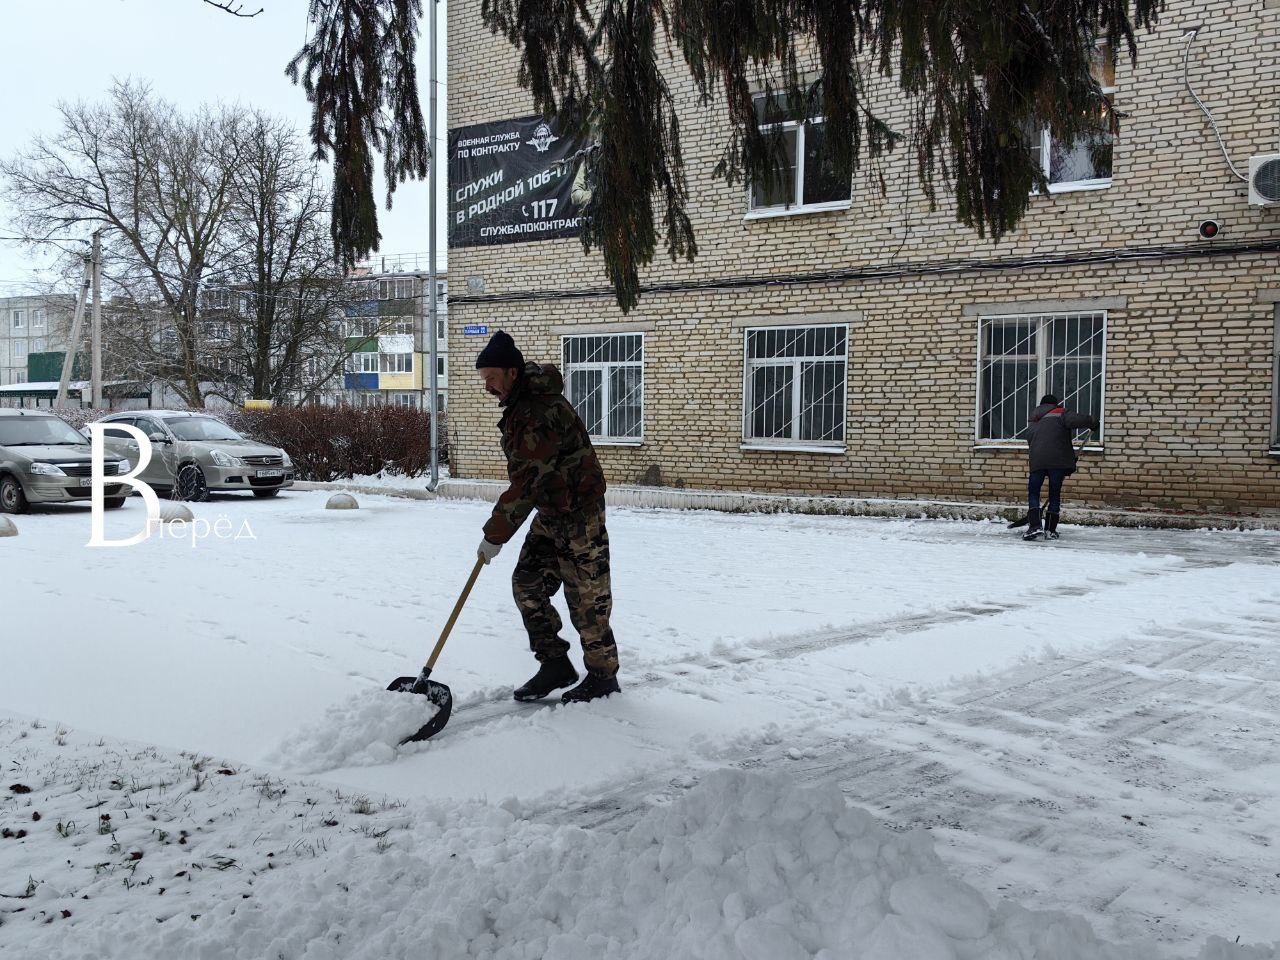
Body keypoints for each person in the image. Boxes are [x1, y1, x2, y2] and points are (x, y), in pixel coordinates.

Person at [474, 330, 622, 703]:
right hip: (551, 513)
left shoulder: (537, 411)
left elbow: (526, 483)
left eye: (491, 377)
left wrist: (495, 535)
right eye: (484, 379)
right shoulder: (522, 405)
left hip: (578, 515)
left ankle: (603, 677)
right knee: (528, 584)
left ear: (511, 371)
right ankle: (555, 664)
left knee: (586, 597)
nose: (487, 386)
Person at [1022, 394, 1099, 541]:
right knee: (1054, 494)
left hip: (1037, 461)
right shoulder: (1060, 413)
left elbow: (1030, 439)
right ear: (1054, 404)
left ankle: (1035, 526)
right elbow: (1079, 420)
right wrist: (1093, 421)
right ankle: (1050, 530)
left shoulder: (1033, 419)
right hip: (1058, 462)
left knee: (1033, 492)